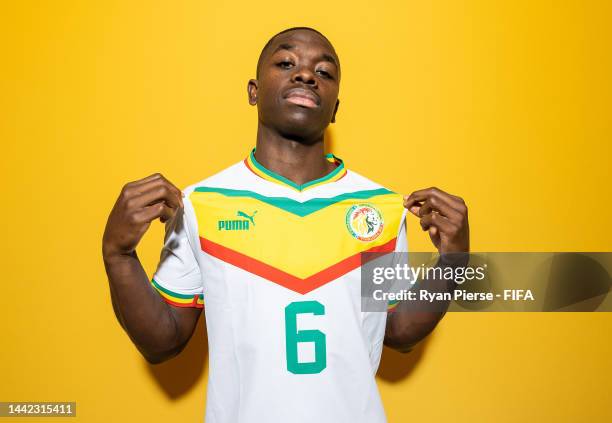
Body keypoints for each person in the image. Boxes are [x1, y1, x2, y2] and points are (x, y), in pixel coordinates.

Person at [102, 26, 470, 423]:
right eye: (286, 63)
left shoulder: (378, 208)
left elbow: (398, 330)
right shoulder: (199, 204)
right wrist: (118, 255)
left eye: (324, 72)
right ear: (253, 91)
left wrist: (455, 261)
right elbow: (163, 342)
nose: (306, 75)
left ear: (335, 109)